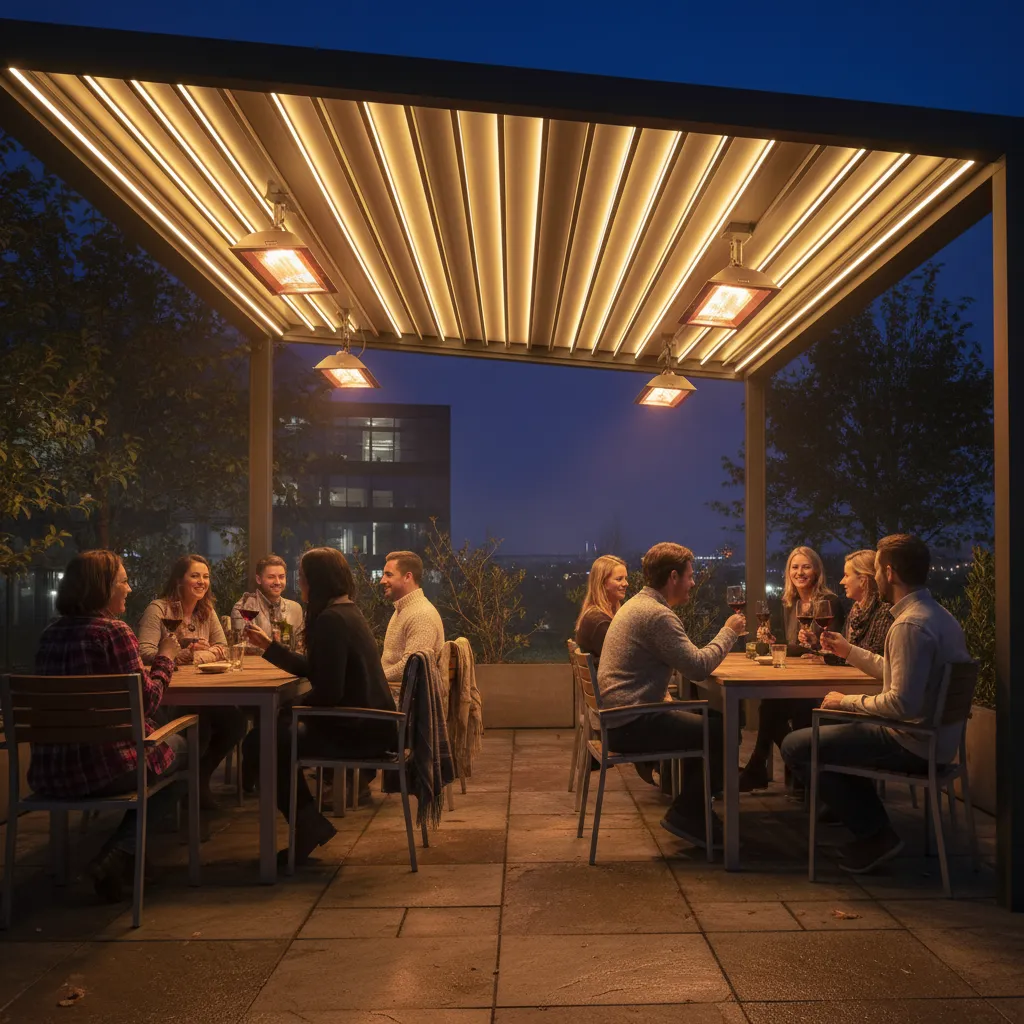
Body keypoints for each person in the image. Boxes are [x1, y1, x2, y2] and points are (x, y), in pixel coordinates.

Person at [781, 534, 972, 873]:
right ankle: (860, 819)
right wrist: (849, 651)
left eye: (878, 571)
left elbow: (901, 704)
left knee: (797, 745)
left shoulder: (909, 625)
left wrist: (847, 702)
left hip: (912, 742)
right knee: (826, 728)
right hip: (938, 739)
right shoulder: (935, 615)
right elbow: (900, 674)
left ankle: (876, 835)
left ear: (889, 572)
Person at [31, 550, 183, 903]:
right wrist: (166, 657)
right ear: (102, 588)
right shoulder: (115, 632)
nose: (129, 589)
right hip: (104, 769)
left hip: (51, 772)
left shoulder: (48, 635)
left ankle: (128, 861)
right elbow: (148, 701)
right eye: (123, 582)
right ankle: (119, 853)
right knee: (185, 749)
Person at [244, 547, 396, 864]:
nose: (299, 584)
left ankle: (307, 825)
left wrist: (289, 709)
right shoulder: (345, 612)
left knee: (263, 740)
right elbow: (318, 671)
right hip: (372, 725)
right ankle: (308, 823)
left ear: (316, 580)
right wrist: (270, 647)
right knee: (273, 734)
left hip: (359, 732)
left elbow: (328, 692)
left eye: (301, 577)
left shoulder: (331, 620)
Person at [597, 542, 746, 847]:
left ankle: (694, 810)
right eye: (690, 576)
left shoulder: (639, 605)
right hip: (631, 724)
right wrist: (729, 631)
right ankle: (690, 813)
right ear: (674, 576)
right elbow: (697, 667)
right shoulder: (656, 615)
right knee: (723, 729)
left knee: (716, 722)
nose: (692, 583)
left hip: (619, 718)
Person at [137, 554, 246, 809]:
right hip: (166, 694)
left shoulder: (205, 612)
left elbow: (222, 646)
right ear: (179, 580)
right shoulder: (159, 609)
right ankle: (188, 790)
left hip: (201, 689)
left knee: (236, 722)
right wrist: (181, 654)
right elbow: (144, 652)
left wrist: (193, 656)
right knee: (201, 721)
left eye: (206, 576)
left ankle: (199, 778)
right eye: (195, 576)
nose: (202, 582)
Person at [738, 545, 847, 792]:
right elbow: (791, 645)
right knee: (770, 705)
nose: (800, 572)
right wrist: (771, 641)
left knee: (772, 707)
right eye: (795, 567)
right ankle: (796, 770)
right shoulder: (789, 602)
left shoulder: (829, 603)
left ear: (817, 570)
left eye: (806, 566)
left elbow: (833, 648)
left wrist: (807, 647)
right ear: (788, 572)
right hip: (799, 675)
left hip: (824, 681)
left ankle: (777, 768)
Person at [380, 550, 445, 700]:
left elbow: (409, 668)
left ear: (407, 577)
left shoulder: (421, 614)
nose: (382, 580)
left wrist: (373, 677)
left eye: (389, 575)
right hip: (390, 696)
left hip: (402, 707)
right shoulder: (402, 610)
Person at [231, 554, 304, 652]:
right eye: (271, 577)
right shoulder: (245, 607)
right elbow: (242, 648)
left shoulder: (295, 609)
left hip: (288, 666)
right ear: (258, 579)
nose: (277, 582)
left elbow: (300, 649)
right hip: (255, 666)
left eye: (281, 577)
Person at [832, 548, 893, 661]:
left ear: (862, 580)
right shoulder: (856, 610)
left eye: (846, 575)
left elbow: (875, 658)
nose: (842, 581)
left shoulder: (884, 611)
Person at [575, 555, 629, 665]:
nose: (625, 583)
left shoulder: (595, 615)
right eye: (619, 579)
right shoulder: (599, 621)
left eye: (625, 578)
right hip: (611, 681)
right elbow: (623, 659)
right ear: (602, 583)